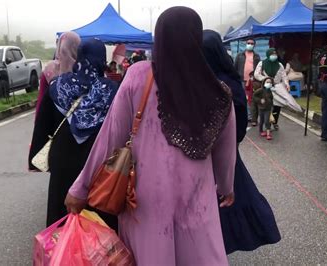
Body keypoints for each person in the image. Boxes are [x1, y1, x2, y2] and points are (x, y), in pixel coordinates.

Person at [65, 7, 237, 265]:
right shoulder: (218, 91)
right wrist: (226, 187)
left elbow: (110, 136)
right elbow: (225, 151)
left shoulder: (139, 75)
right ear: (197, 37)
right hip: (197, 199)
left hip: (144, 201)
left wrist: (80, 187)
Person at [202, 30, 281, 254]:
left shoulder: (211, 82)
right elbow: (238, 127)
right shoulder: (227, 80)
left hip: (210, 155)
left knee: (222, 204)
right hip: (223, 155)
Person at [28, 38, 119, 228]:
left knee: (61, 216)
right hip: (99, 162)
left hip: (63, 160)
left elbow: (43, 125)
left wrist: (35, 158)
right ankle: (99, 257)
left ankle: (63, 255)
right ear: (102, 59)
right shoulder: (113, 90)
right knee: (100, 220)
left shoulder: (58, 86)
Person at [35, 33, 80, 118]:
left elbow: (41, 100)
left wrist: (37, 122)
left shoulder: (49, 70)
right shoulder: (83, 69)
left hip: (53, 121)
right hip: (78, 124)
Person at [255, 48, 296, 130]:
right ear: (268, 55)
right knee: (267, 106)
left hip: (277, 87)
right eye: (272, 55)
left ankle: (274, 122)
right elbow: (256, 74)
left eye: (275, 55)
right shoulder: (262, 63)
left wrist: (287, 84)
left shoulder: (280, 65)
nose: (274, 56)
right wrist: (265, 79)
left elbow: (284, 76)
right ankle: (265, 124)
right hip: (266, 87)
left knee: (277, 106)